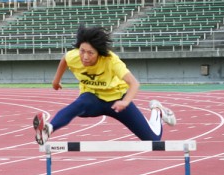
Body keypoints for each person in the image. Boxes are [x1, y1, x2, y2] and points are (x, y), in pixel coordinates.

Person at [33, 25, 176, 145]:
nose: (85, 57)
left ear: (99, 54)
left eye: (90, 53)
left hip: (117, 101)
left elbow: (134, 83)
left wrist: (125, 102)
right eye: (82, 51)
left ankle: (157, 110)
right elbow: (64, 59)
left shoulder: (111, 60)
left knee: (153, 140)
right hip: (93, 99)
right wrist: (56, 81)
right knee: (80, 104)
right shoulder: (75, 56)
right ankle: (48, 129)